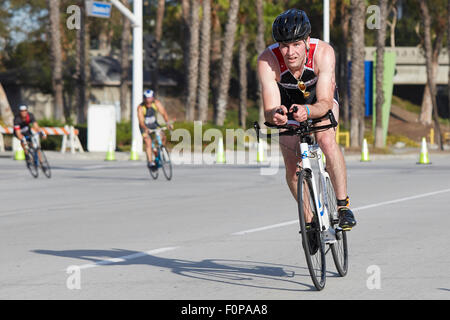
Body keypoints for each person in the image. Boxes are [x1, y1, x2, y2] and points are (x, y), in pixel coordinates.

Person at [257, 9, 356, 230]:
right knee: (292, 164)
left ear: (307, 41)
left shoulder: (323, 53)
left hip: (319, 99)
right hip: (288, 101)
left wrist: (309, 112)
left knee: (326, 140)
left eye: (296, 45)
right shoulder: (267, 60)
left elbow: (324, 103)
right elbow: (269, 108)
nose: (289, 52)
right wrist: (275, 115)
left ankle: (342, 206)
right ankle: (309, 219)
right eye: (284, 45)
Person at [137, 90, 173, 170]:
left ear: (153, 98)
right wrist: (146, 129)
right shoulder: (140, 107)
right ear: (144, 99)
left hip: (154, 124)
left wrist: (168, 123)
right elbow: (141, 121)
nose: (148, 101)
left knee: (163, 136)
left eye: (150, 98)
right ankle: (150, 162)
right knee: (148, 142)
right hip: (144, 126)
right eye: (147, 99)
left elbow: (163, 113)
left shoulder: (156, 103)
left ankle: (160, 149)